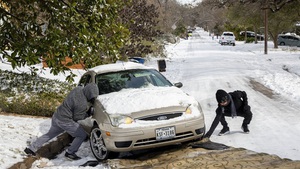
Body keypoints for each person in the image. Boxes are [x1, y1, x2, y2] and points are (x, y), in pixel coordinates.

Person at [24, 83, 99, 160]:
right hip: (65, 121)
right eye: (92, 97)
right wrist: (88, 114)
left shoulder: (78, 89)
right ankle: (70, 153)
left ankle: (31, 148)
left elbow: (79, 87)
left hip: (57, 116)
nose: (92, 98)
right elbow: (77, 117)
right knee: (81, 135)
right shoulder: (81, 103)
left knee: (50, 134)